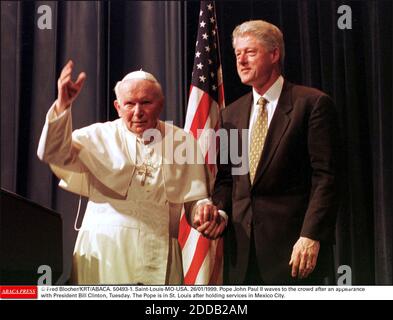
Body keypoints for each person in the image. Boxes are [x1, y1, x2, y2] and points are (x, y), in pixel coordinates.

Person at [37, 60, 217, 285]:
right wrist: (62, 106)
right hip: (105, 253)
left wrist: (202, 211)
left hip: (160, 252)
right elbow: (51, 153)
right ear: (117, 106)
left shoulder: (182, 141)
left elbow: (194, 199)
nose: (138, 112)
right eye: (130, 104)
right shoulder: (98, 137)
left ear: (160, 104)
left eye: (146, 102)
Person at [207, 20, 340, 284]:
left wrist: (311, 236)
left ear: (274, 54)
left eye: (250, 52)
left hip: (293, 253)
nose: (241, 61)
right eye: (237, 54)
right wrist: (220, 212)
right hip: (242, 257)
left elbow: (326, 178)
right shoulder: (230, 114)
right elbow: (226, 179)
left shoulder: (311, 104)